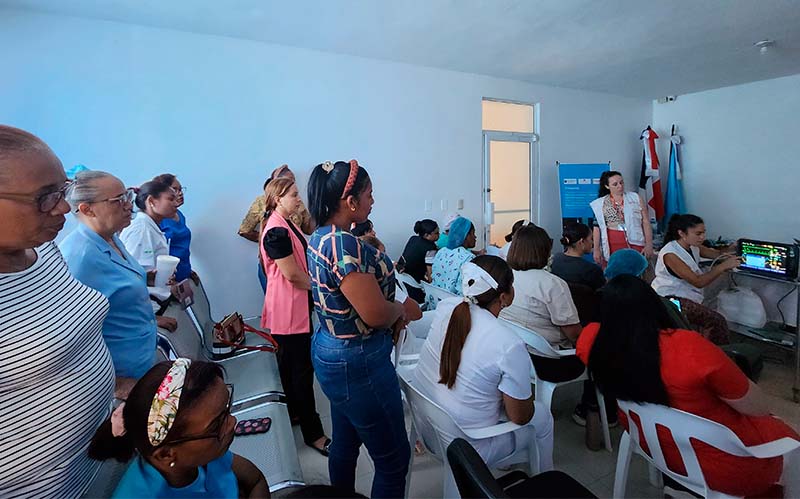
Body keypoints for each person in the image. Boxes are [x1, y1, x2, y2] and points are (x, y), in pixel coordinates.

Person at [577, 275, 799, 497]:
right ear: (654, 305)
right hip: (725, 468)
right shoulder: (689, 347)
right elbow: (758, 408)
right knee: (789, 440)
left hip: (653, 446)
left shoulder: (591, 340)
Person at [0, 125, 114, 497]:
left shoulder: (45, 252)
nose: (63, 207)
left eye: (62, 190)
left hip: (101, 457)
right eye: (46, 197)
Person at [306, 160, 411, 498]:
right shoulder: (342, 244)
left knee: (345, 442)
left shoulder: (321, 236)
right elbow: (375, 314)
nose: (372, 201)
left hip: (331, 348)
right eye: (369, 194)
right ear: (350, 202)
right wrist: (402, 309)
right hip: (358, 361)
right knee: (393, 461)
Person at [413, 257, 554, 468]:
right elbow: (521, 417)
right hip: (468, 449)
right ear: (504, 296)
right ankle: (546, 477)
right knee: (542, 416)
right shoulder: (509, 344)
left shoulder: (447, 307)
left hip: (428, 430)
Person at [61, 171, 177, 390]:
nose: (129, 205)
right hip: (119, 377)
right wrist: (117, 384)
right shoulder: (79, 257)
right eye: (118, 200)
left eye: (128, 196)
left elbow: (115, 290)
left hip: (142, 360)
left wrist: (147, 278)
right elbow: (71, 338)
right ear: (87, 209)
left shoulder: (111, 238)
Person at [89, 359, 270, 498]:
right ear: (166, 455)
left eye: (226, 409)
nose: (232, 422)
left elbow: (256, 481)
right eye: (217, 424)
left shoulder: (204, 456)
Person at [259, 177, 330, 456]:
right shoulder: (276, 230)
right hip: (287, 311)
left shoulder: (286, 223)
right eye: (294, 195)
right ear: (278, 198)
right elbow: (292, 275)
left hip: (292, 307)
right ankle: (314, 434)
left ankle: (295, 415)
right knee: (300, 372)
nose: (299, 199)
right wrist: (325, 287)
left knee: (292, 370)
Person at [651, 214, 739, 345]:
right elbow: (698, 282)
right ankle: (713, 353)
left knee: (708, 319)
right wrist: (722, 267)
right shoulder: (670, 254)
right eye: (698, 234)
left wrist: (734, 247)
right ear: (682, 233)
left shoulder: (693, 246)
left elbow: (718, 254)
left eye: (703, 233)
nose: (702, 237)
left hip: (687, 296)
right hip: (671, 299)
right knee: (716, 320)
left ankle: (704, 347)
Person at [499, 224, 581, 349]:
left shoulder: (504, 277)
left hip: (513, 347)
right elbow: (573, 334)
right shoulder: (552, 284)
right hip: (550, 354)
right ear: (544, 250)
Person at [119, 179, 178, 305]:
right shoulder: (141, 230)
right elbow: (132, 274)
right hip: (145, 302)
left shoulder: (151, 227)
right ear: (151, 201)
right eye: (171, 199)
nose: (176, 203)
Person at [589, 170, 654, 267]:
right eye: (615, 184)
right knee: (615, 269)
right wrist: (596, 249)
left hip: (635, 240)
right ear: (607, 186)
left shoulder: (635, 198)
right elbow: (597, 228)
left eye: (621, 182)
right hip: (612, 242)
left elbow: (645, 222)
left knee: (637, 269)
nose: (620, 186)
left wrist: (649, 244)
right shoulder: (599, 204)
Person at [154, 173, 197, 283]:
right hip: (168, 280)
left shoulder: (179, 215)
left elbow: (181, 247)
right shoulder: (158, 220)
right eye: (174, 189)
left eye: (181, 189)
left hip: (184, 275)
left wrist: (189, 271)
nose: (180, 193)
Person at [550, 222, 605, 291]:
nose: (593, 242)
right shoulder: (592, 270)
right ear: (582, 242)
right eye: (591, 239)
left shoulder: (555, 260)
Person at [430, 216, 477, 296]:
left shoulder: (441, 252)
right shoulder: (469, 258)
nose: (475, 237)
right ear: (466, 235)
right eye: (473, 233)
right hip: (454, 302)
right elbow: (464, 291)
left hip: (436, 299)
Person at [399, 219, 439, 303]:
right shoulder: (430, 248)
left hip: (400, 276)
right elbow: (430, 274)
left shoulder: (413, 238)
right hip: (413, 283)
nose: (439, 235)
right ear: (426, 235)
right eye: (436, 233)